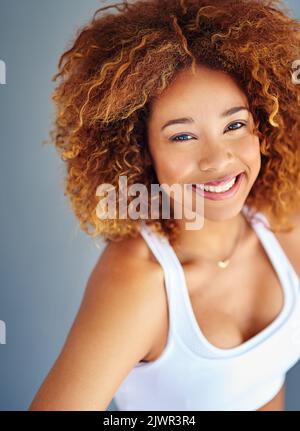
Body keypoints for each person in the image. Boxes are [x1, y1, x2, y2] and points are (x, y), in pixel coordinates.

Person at [29, 0, 300, 411]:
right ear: (143, 151)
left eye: (234, 125)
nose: (217, 160)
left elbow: (261, 383)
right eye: (182, 136)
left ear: (262, 128)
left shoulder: (283, 221)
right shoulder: (140, 280)